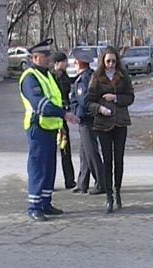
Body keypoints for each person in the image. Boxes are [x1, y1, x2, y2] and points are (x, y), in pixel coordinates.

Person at [19, 39, 80, 221]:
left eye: (48, 56)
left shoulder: (47, 75)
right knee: (37, 167)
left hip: (51, 127)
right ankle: (34, 206)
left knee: (49, 167)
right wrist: (64, 114)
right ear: (34, 58)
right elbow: (41, 104)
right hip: (37, 127)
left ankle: (45, 202)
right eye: (45, 56)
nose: (48, 59)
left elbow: (58, 99)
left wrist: (62, 120)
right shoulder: (30, 77)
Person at [88, 46, 135, 213]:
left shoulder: (123, 76)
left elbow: (130, 97)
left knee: (119, 160)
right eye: (108, 61)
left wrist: (116, 98)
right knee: (107, 160)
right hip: (103, 123)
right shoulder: (96, 77)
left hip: (120, 121)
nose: (111, 64)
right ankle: (109, 195)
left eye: (114, 61)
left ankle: (118, 190)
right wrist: (99, 109)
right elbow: (89, 101)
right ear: (103, 61)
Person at [70, 51, 106, 196]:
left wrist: (76, 110)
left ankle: (101, 183)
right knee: (84, 152)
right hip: (88, 119)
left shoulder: (83, 79)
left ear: (78, 63)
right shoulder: (90, 75)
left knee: (91, 152)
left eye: (75, 61)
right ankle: (82, 182)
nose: (73, 63)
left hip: (86, 119)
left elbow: (84, 101)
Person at [50, 51, 76, 190]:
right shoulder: (50, 78)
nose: (66, 64)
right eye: (64, 61)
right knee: (50, 153)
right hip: (51, 118)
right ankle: (49, 182)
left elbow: (68, 91)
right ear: (57, 63)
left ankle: (69, 180)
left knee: (65, 149)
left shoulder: (65, 77)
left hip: (62, 117)